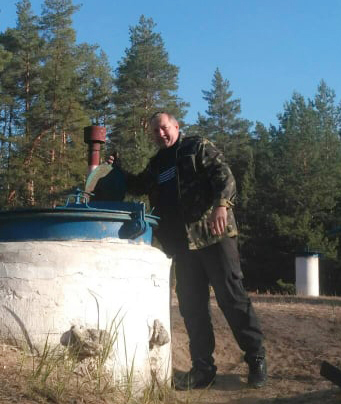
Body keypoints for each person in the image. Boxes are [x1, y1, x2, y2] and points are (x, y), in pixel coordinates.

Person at [108, 111, 267, 390]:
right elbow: (138, 186)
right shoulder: (157, 164)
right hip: (181, 246)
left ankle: (256, 359)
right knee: (192, 307)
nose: (160, 134)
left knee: (232, 298)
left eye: (164, 128)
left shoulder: (196, 147)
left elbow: (224, 176)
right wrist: (116, 170)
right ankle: (203, 369)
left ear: (176, 126)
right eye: (155, 131)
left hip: (213, 235)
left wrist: (222, 205)